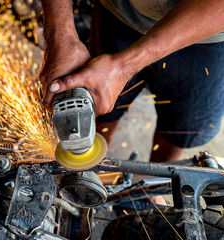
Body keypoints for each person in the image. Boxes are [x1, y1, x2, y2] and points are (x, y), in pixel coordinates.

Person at [39, 0, 224, 162]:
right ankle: (92, 163)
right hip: (118, 12)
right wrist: (60, 37)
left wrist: (122, 67)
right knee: (98, 99)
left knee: (182, 127)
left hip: (206, 35)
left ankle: (154, 183)